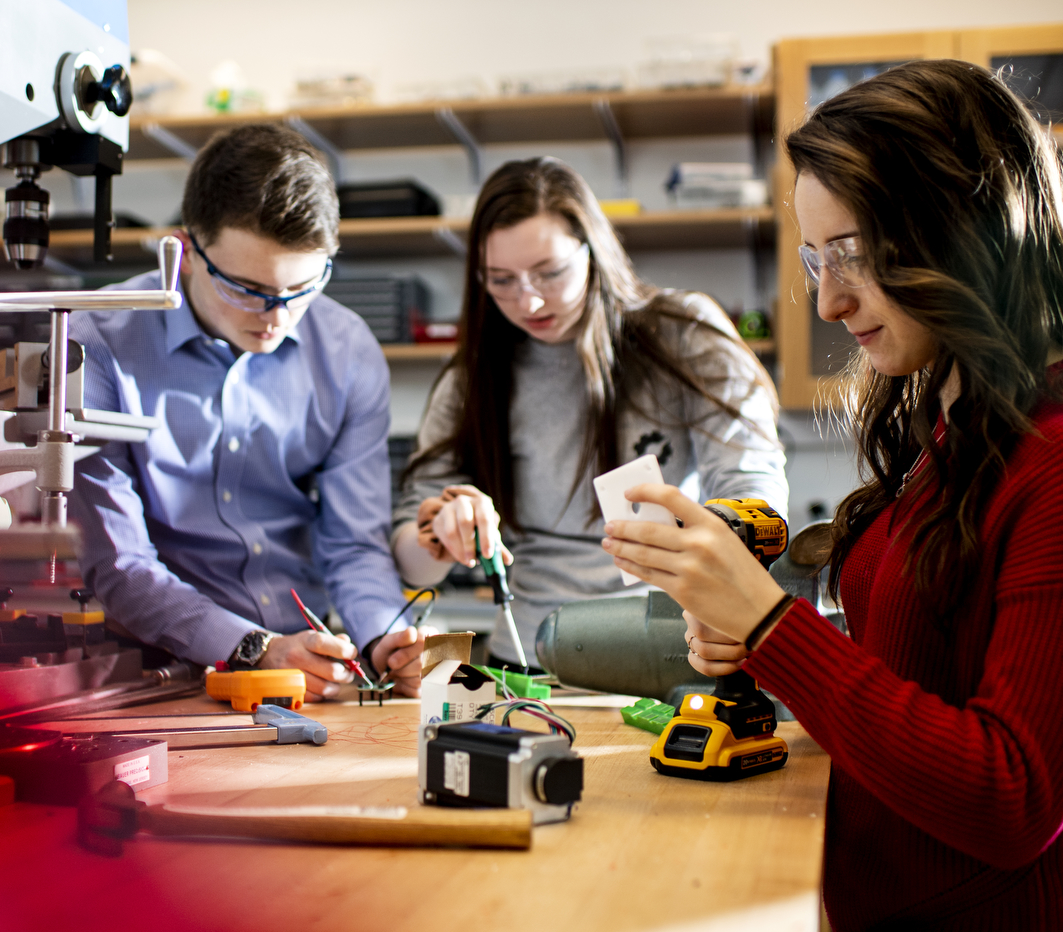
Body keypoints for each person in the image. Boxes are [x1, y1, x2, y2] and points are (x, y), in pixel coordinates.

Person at [603, 60, 1063, 929]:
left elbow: (1009, 799)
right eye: (813, 260)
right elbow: (929, 677)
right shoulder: (958, 432)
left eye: (857, 255)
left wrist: (770, 626)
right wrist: (758, 637)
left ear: (969, 232)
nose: (828, 302)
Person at [68, 124, 432, 700]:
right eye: (246, 288)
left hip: (303, 665)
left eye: (302, 288)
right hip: (148, 674)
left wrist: (385, 636)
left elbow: (353, 545)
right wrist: (253, 648)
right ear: (184, 252)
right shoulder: (96, 344)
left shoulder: (348, 350)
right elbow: (120, 564)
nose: (277, 316)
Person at [393, 157, 787, 668]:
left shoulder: (684, 335)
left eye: (549, 273)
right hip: (528, 657)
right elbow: (411, 563)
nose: (529, 302)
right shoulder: (473, 377)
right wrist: (440, 535)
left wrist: (714, 553)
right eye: (501, 280)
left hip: (668, 651)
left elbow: (753, 489)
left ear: (593, 251)